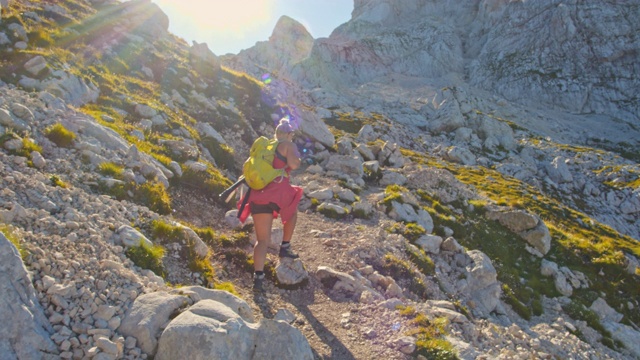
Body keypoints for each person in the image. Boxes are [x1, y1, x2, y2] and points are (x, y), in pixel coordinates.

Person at [237, 118, 303, 291]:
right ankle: (285, 246)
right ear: (288, 134)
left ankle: (258, 278)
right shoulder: (287, 145)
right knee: (292, 210)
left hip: (257, 195)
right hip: (278, 193)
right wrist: (295, 155)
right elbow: (294, 164)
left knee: (262, 240)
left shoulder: (264, 148)